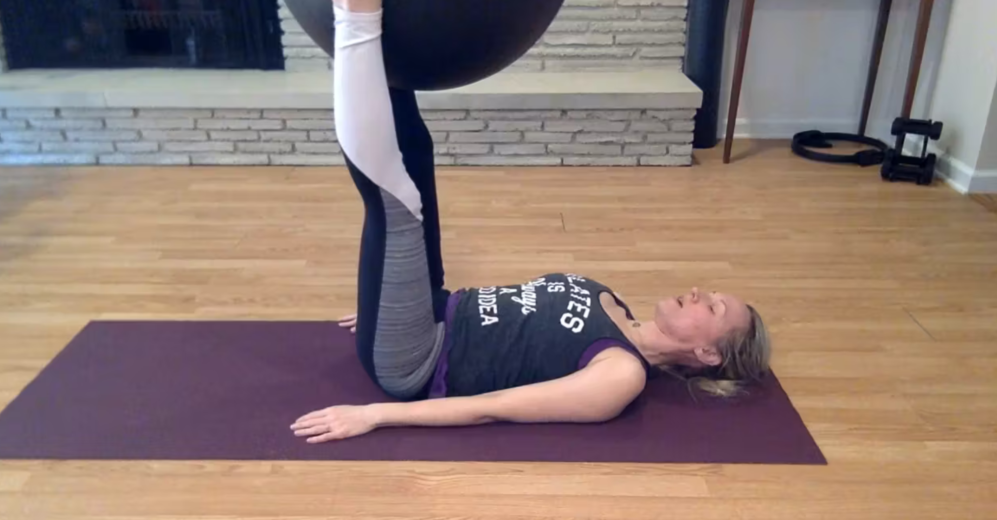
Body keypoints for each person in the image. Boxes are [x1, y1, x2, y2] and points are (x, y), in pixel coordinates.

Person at [291, 0, 771, 444]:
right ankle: (379, 47)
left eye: (712, 308)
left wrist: (374, 415)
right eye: (710, 293)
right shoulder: (614, 303)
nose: (698, 293)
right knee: (417, 156)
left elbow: (493, 408)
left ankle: (354, 16)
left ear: (709, 355)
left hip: (415, 358)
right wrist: (389, 301)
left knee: (395, 207)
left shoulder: (620, 375)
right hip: (433, 307)